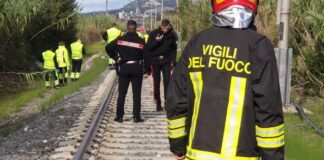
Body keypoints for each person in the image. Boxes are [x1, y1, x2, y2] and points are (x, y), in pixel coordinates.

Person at [166, 0, 284, 160]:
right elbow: (268, 109)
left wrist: (178, 147)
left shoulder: (197, 42)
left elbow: (177, 98)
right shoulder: (259, 46)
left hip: (196, 155)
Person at [106, 20, 150, 123]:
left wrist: (116, 58)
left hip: (124, 68)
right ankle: (136, 117)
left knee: (122, 93)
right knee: (136, 94)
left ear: (127, 27)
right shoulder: (141, 41)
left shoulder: (120, 40)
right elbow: (147, 56)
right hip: (136, 68)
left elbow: (108, 47)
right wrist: (147, 70)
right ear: (136, 28)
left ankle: (119, 117)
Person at [146, 19, 178, 112]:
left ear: (169, 26)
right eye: (163, 28)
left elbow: (174, 49)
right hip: (155, 60)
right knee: (156, 82)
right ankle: (158, 103)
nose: (165, 30)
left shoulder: (172, 35)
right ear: (161, 26)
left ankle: (167, 103)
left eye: (167, 28)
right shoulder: (153, 33)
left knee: (167, 82)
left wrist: (173, 60)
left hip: (166, 61)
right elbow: (148, 48)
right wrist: (156, 42)